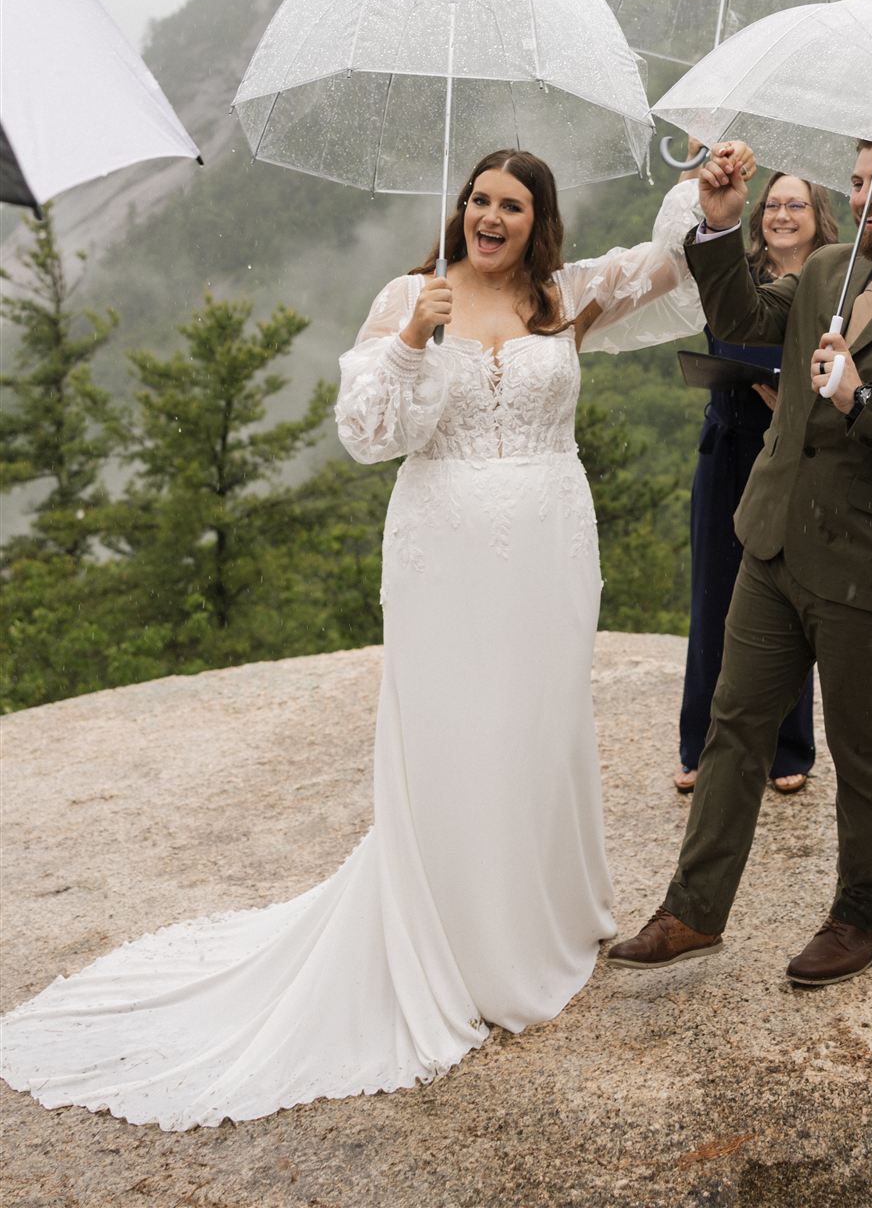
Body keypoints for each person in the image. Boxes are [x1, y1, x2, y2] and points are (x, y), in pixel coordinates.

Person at [0, 152, 708, 1130]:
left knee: (539, 726)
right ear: (459, 209)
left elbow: (667, 264)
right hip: (444, 546)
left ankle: (539, 913)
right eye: (477, 199)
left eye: (511, 203)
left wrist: (708, 201)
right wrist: (415, 340)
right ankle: (455, 938)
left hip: (550, 541)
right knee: (453, 729)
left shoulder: (566, 297)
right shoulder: (409, 297)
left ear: (539, 219)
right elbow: (366, 431)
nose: (489, 215)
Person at [610, 138, 872, 989]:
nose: (866, 194)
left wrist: (861, 399)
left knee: (865, 750)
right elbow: (741, 322)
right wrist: (718, 229)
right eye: (858, 179)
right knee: (732, 728)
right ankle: (693, 910)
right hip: (772, 547)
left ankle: (859, 918)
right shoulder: (831, 268)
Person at [675, 168, 838, 797]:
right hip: (728, 444)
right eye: (772, 205)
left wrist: (796, 399)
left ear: (817, 216)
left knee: (787, 605)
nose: (781, 215)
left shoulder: (839, 282)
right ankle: (699, 745)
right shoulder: (735, 274)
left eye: (795, 205)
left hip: (792, 457)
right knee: (714, 597)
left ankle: (787, 748)